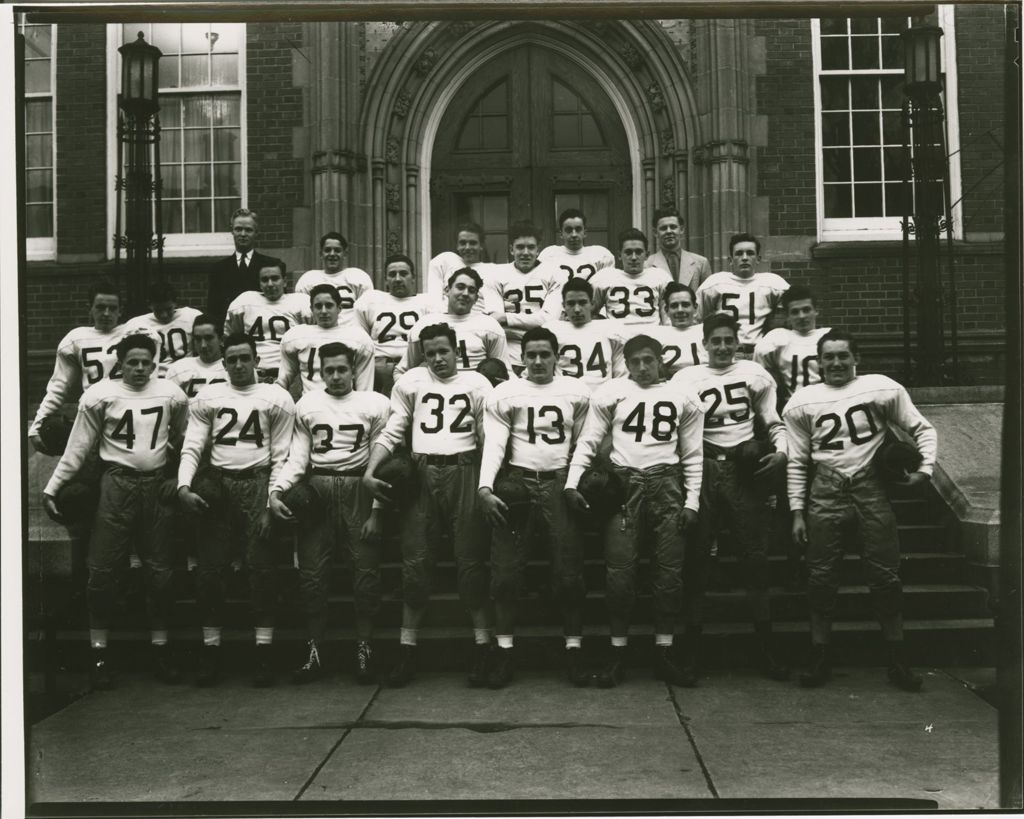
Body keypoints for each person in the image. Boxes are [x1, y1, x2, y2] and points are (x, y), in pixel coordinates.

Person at [784, 330, 937, 691]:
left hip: (870, 486)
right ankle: (820, 655)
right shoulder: (802, 401)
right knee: (821, 578)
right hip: (825, 488)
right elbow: (796, 461)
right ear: (817, 362)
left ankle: (897, 660)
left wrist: (925, 469)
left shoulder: (881, 388)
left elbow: (922, 428)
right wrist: (796, 511)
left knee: (885, 575)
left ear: (857, 357)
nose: (836, 363)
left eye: (843, 356)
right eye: (829, 357)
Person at [42, 333, 189, 689]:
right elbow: (78, 447)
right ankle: (99, 653)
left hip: (155, 486)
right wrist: (52, 486)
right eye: (132, 362)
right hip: (116, 484)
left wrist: (180, 478)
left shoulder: (172, 393)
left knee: (160, 572)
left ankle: (160, 649)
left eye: (145, 362)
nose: (139, 368)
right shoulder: (99, 395)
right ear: (119, 363)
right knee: (103, 570)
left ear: (155, 361)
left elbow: (186, 441)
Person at [564, 334, 705, 687]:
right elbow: (590, 440)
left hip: (667, 484)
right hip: (625, 487)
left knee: (669, 573)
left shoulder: (683, 396)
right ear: (625, 363)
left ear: (661, 361)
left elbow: (692, 454)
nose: (642, 368)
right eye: (635, 361)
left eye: (649, 360)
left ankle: (664, 650)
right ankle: (618, 652)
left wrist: (692, 501)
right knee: (620, 573)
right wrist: (571, 482)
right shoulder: (611, 393)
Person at [363, 323, 494, 687]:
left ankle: (484, 648)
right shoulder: (410, 384)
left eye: (443, 351)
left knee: (470, 561)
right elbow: (393, 429)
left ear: (457, 351)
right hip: (421, 473)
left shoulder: (477, 384)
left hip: (465, 469)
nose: (437, 358)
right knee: (415, 562)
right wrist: (371, 470)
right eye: (430, 352)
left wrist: (488, 481)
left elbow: (488, 437)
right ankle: (407, 650)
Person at [671, 313, 790, 683]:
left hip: (744, 470)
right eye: (715, 341)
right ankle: (691, 650)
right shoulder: (685, 378)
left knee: (754, 558)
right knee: (696, 560)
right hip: (703, 468)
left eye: (728, 340)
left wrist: (781, 451)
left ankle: (766, 647)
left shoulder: (755, 375)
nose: (722, 347)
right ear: (703, 343)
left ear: (738, 342)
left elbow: (772, 420)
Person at [177, 333, 296, 687]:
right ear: (223, 362)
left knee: (262, 571)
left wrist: (269, 501)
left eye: (246, 358)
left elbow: (281, 455)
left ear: (257, 359)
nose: (240, 365)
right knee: (210, 572)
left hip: (259, 481)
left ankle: (264, 652)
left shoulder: (275, 397)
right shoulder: (209, 396)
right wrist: (184, 485)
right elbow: (193, 444)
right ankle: (211, 650)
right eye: (232, 359)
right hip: (220, 486)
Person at [477, 327, 593, 688]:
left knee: (570, 573)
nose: (539, 361)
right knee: (506, 573)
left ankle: (574, 649)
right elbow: (495, 443)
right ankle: (504, 650)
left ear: (558, 356)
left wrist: (574, 482)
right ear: (521, 358)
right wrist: (484, 486)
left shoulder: (577, 390)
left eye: (545, 354)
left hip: (560, 482)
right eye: (532, 355)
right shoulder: (506, 393)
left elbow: (587, 443)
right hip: (518, 483)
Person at [270, 342, 391, 684]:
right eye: (329, 371)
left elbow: (380, 462)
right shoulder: (307, 404)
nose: (336, 376)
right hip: (319, 489)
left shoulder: (374, 404)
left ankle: (364, 648)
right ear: (319, 373)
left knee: (365, 574)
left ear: (354, 370)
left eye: (342, 369)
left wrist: (377, 511)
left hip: (359, 489)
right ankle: (315, 650)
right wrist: (276, 491)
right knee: (312, 575)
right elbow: (298, 457)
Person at [29, 280, 125, 452]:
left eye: (112, 308)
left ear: (120, 311)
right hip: (93, 415)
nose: (106, 313)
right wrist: (37, 424)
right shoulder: (76, 338)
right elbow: (59, 386)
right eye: (100, 307)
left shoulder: (132, 332)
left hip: (128, 412)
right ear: (90, 308)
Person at [484, 222, 567, 375]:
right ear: (511, 249)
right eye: (520, 247)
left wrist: (506, 318)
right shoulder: (496, 274)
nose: (526, 252)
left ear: (538, 250)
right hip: (507, 355)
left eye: (531, 247)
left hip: (543, 353)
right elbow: (494, 323)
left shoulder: (554, 273)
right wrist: (533, 325)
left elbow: (549, 320)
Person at [398, 268, 509, 375]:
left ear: (476, 298)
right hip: (436, 391)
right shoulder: (425, 323)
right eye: (460, 287)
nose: (465, 293)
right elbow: (402, 371)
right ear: (447, 290)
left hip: (477, 391)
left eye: (471, 290)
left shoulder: (489, 325)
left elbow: (504, 372)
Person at [696, 233, 789, 358]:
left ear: (758, 259)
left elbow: (795, 307)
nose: (744, 258)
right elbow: (697, 321)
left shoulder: (772, 283)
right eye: (739, 253)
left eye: (750, 253)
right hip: (726, 352)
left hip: (760, 351)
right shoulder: (714, 283)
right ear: (730, 260)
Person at [277, 283, 375, 395]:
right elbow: (283, 379)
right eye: (318, 306)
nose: (323, 311)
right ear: (311, 309)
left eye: (329, 305)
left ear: (339, 308)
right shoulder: (296, 336)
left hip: (346, 405)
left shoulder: (358, 337)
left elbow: (365, 388)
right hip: (310, 405)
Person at [353, 253, 430, 394]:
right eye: (392, 274)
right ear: (385, 279)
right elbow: (360, 339)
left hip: (414, 366)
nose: (398, 279)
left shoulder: (426, 303)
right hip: (378, 367)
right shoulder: (371, 300)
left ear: (413, 277)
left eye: (403, 274)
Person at [225, 259, 310, 383]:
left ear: (285, 281)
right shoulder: (245, 302)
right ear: (259, 283)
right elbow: (233, 338)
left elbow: (314, 336)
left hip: (292, 375)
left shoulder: (300, 303)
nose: (270, 284)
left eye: (275, 278)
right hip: (254, 374)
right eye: (265, 279)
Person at [753, 284, 831, 406]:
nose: (801, 316)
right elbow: (762, 378)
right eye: (795, 312)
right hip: (793, 407)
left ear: (816, 311)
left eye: (806, 310)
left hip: (828, 405)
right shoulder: (777, 339)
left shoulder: (829, 336)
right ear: (788, 316)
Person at [544, 277, 627, 389]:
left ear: (592, 304)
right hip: (565, 396)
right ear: (563, 306)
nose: (577, 309)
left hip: (601, 398)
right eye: (571, 304)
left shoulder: (610, 328)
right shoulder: (552, 330)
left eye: (582, 303)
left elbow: (620, 373)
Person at [591, 228, 672, 337]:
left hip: (651, 341)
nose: (633, 257)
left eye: (638, 252)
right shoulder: (605, 277)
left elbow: (668, 319)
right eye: (628, 252)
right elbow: (588, 310)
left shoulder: (660, 277)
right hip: (617, 342)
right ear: (619, 255)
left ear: (647, 255)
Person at [206, 208, 278, 325]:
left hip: (261, 330)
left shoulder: (272, 265)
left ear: (256, 232)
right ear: (232, 231)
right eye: (238, 229)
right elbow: (214, 310)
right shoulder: (218, 270)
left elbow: (280, 304)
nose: (243, 234)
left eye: (248, 230)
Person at [294, 232, 374, 327]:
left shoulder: (358, 276)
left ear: (345, 253)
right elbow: (303, 312)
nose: (332, 254)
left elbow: (368, 311)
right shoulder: (308, 279)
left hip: (350, 333)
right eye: (327, 250)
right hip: (318, 334)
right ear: (321, 254)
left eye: (337, 250)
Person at [123, 282, 203, 377]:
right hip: (153, 377)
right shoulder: (136, 323)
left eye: (168, 309)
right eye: (158, 310)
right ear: (150, 305)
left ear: (175, 303)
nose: (164, 315)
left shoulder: (192, 316)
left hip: (185, 374)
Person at [425, 222, 503, 314]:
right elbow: (433, 303)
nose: (467, 247)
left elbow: (495, 309)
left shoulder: (491, 270)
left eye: (473, 243)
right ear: (457, 246)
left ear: (481, 246)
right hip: (445, 319)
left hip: (477, 321)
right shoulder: (445, 261)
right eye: (463, 243)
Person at [644, 282, 707, 378]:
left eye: (685, 305)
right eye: (674, 306)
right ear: (666, 310)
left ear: (695, 308)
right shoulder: (656, 335)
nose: (680, 310)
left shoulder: (706, 331)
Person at [644, 206, 712, 291]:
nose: (669, 231)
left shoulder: (701, 263)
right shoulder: (647, 265)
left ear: (681, 229)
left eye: (673, 227)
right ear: (655, 232)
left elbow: (708, 298)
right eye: (663, 228)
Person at [537, 208, 615, 281]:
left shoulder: (600, 254)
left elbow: (607, 285)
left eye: (578, 229)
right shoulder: (549, 254)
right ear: (561, 234)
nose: (574, 234)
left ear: (585, 232)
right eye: (568, 230)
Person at [164, 314, 229, 399]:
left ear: (221, 340)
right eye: (198, 339)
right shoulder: (179, 368)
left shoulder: (233, 366)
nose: (203, 345)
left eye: (208, 338)